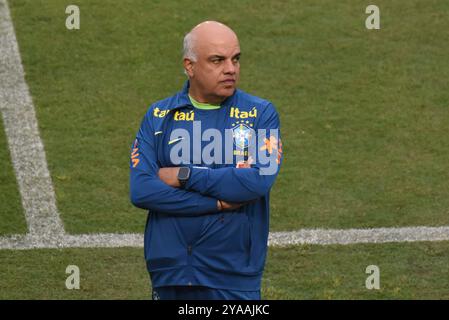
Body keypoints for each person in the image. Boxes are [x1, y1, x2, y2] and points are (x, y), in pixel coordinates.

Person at [130, 21, 283, 300]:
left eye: (235, 59)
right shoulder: (158, 117)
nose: (231, 69)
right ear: (190, 66)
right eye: (217, 60)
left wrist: (183, 176)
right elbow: (143, 191)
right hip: (170, 272)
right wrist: (217, 202)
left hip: (233, 276)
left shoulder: (261, 114)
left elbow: (257, 181)